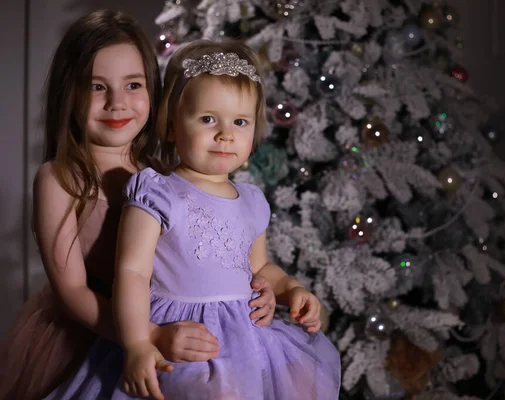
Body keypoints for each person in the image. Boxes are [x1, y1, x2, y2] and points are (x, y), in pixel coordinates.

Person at [0, 11, 275, 400]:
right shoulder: (60, 178)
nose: (117, 103)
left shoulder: (162, 175)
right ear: (69, 93)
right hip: (92, 331)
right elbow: (73, 291)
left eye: (133, 84)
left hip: (173, 331)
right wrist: (148, 335)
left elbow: (216, 254)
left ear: (155, 92)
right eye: (97, 87)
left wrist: (261, 285)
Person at [45, 39, 341, 400]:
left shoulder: (251, 200)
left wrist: (291, 289)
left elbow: (259, 267)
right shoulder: (157, 191)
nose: (225, 133)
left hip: (245, 339)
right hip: (180, 333)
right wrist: (139, 341)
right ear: (171, 126)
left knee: (294, 377)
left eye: (240, 122)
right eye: (207, 119)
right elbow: (133, 273)